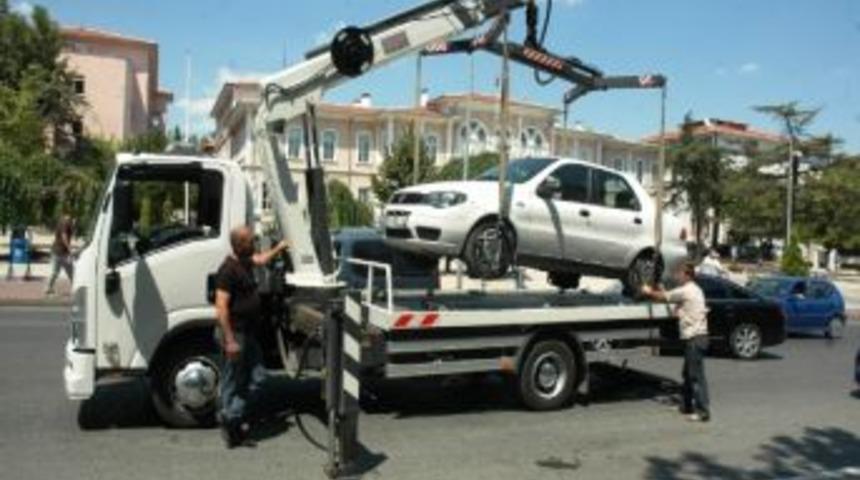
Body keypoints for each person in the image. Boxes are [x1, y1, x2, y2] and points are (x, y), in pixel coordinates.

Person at [214, 226, 289, 448]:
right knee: (232, 382)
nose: (255, 243)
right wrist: (229, 341)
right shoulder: (227, 270)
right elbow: (221, 308)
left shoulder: (244, 262)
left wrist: (279, 247)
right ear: (240, 245)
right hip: (235, 334)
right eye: (251, 240)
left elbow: (261, 259)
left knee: (259, 378)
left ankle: (231, 416)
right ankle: (233, 426)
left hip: (248, 333)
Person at [641, 262, 711, 422]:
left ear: (687, 275)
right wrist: (667, 295)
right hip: (696, 338)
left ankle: (703, 412)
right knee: (688, 374)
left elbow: (664, 297)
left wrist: (648, 291)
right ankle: (686, 407)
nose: (678, 276)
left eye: (680, 274)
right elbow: (675, 302)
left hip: (695, 338)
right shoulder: (695, 290)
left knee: (695, 377)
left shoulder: (687, 290)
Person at [45, 215, 75, 296]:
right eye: (70, 219)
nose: (71, 220)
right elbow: (64, 237)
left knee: (67, 272)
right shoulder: (65, 225)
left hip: (60, 252)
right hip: (59, 252)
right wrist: (69, 249)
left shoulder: (63, 224)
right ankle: (48, 288)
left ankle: (48, 288)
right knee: (65, 272)